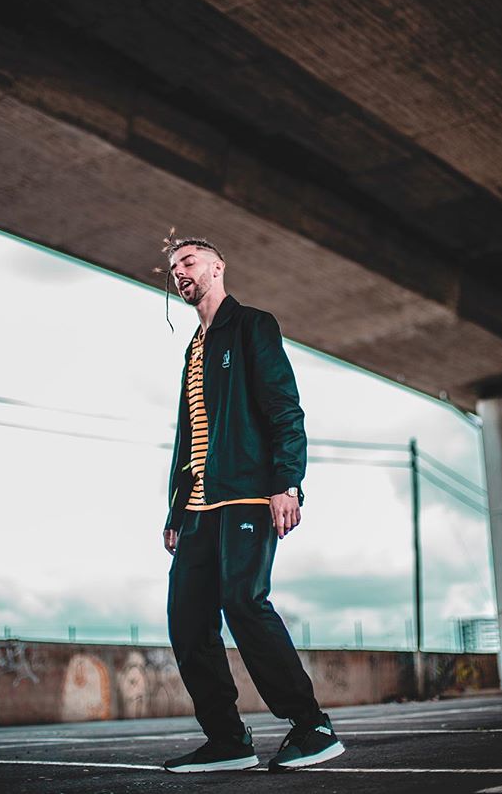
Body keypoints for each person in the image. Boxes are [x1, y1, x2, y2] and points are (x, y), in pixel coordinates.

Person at [158, 228, 346, 773]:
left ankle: (311, 726)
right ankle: (228, 741)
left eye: (189, 261)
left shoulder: (252, 326)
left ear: (218, 266)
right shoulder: (193, 348)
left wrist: (287, 484)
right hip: (197, 508)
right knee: (187, 621)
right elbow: (186, 439)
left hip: (247, 496)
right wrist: (175, 511)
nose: (181, 273)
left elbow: (285, 408)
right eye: (174, 270)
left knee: (243, 600)